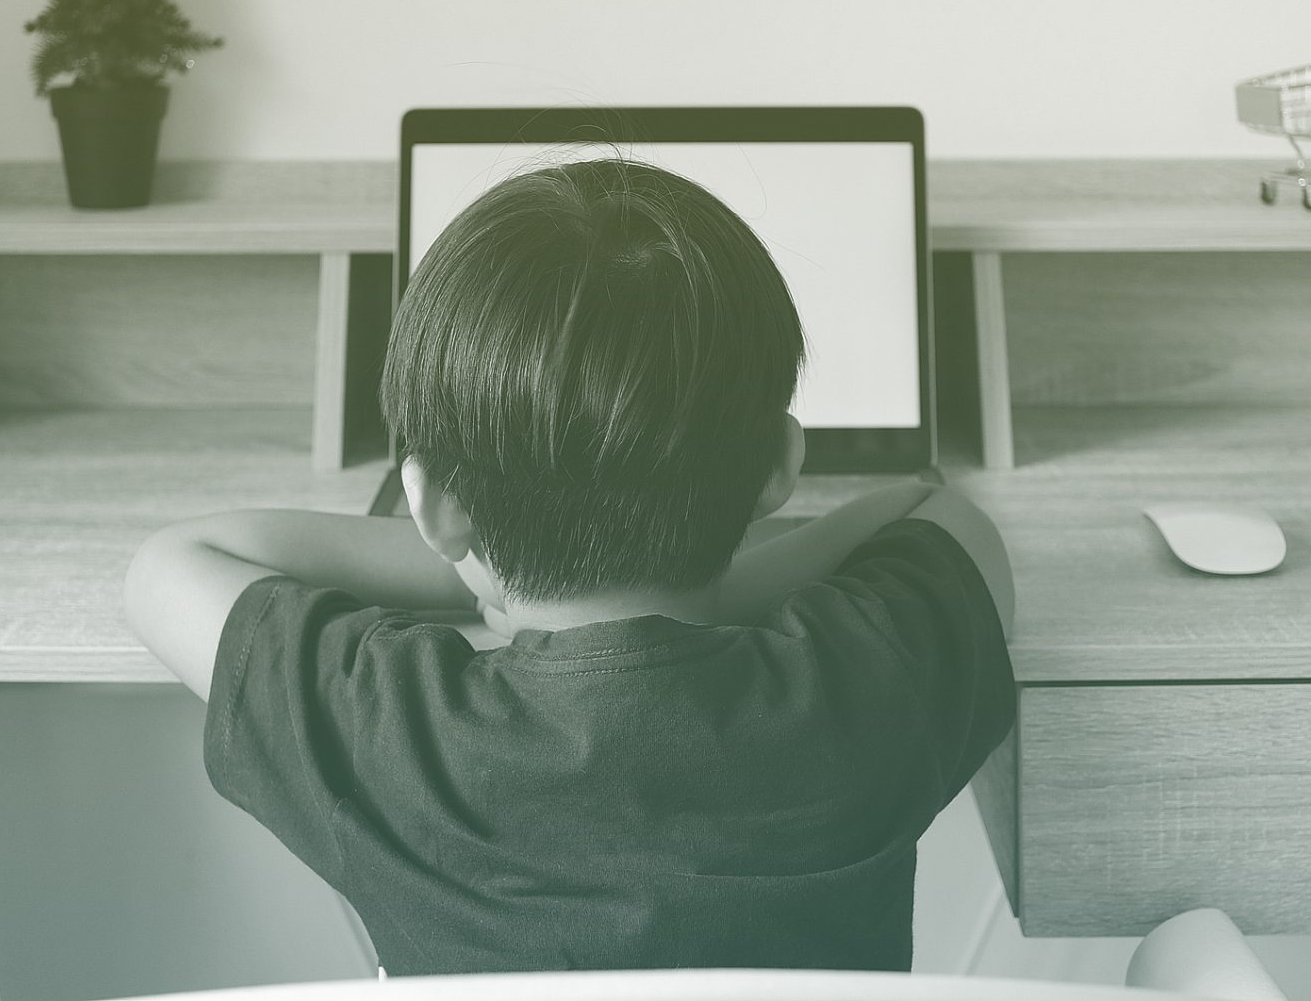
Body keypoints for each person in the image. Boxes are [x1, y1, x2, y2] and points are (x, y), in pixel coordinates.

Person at [125, 157, 1017, 975]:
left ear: (434, 506)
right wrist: (702, 573)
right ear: (779, 469)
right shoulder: (866, 678)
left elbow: (172, 562)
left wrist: (490, 558)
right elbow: (934, 508)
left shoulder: (391, 732)